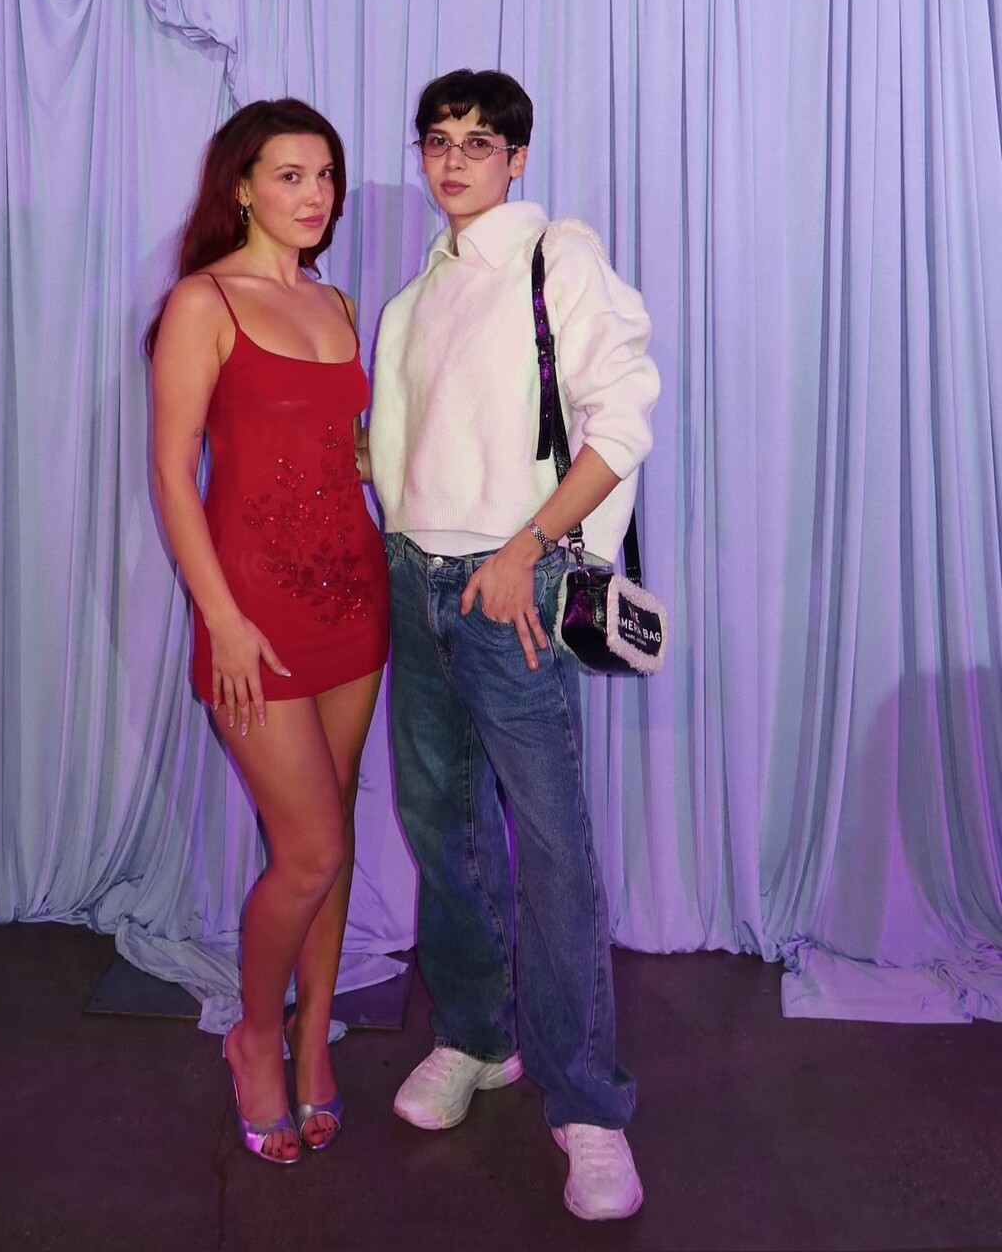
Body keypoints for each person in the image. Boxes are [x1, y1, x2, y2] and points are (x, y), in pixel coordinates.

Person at [368, 69, 659, 1223]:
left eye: (478, 143)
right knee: (441, 828)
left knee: (552, 851)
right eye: (438, 141)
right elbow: (414, 448)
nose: (454, 161)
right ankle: (478, 1037)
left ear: (517, 158)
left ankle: (588, 1108)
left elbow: (621, 422)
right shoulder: (412, 297)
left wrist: (524, 548)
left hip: (514, 587)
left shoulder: (557, 256)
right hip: (416, 581)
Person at [148, 99, 388, 1165]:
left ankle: (313, 1034)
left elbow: (347, 451)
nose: (314, 195)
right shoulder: (203, 302)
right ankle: (255, 1036)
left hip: (355, 604)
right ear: (241, 186)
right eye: (291, 175)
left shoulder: (337, 301)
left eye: (326, 175)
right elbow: (172, 473)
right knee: (310, 850)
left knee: (335, 834)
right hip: (254, 617)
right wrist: (222, 621)